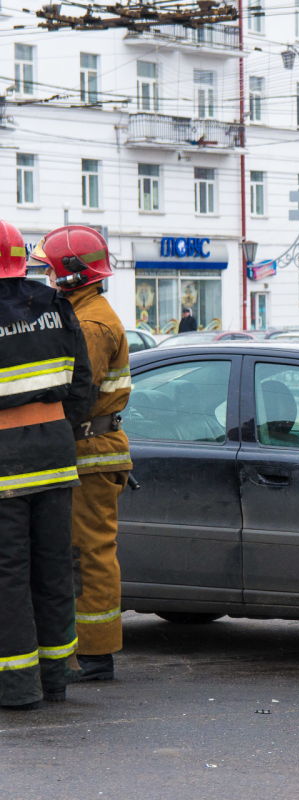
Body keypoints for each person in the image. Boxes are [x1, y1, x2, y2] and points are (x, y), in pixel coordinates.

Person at [31, 226, 132, 684]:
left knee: (89, 553)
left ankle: (95, 654)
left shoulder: (90, 323)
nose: (46, 277)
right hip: (88, 449)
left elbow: (76, 392)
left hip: (90, 451)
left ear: (70, 275)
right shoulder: (81, 312)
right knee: (78, 552)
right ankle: (84, 649)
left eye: (50, 270)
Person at [0, 219, 93, 709]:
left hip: (5, 464)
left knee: (8, 573)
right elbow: (83, 387)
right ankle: (55, 677)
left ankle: (16, 687)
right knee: (54, 566)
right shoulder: (56, 304)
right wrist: (57, 428)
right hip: (56, 457)